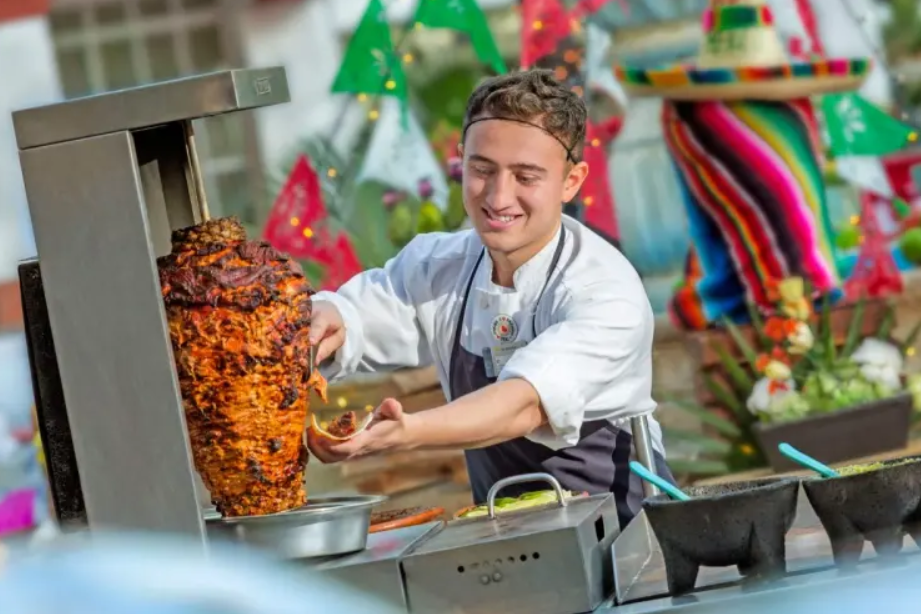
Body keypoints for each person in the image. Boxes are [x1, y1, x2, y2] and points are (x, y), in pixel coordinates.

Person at [307, 69, 675, 527]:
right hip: (505, 535)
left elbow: (523, 404)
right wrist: (324, 318)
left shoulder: (603, 289)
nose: (499, 197)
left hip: (628, 537)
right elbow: (356, 316)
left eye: (526, 176)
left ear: (571, 181)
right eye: (482, 169)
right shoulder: (437, 264)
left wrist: (408, 432)